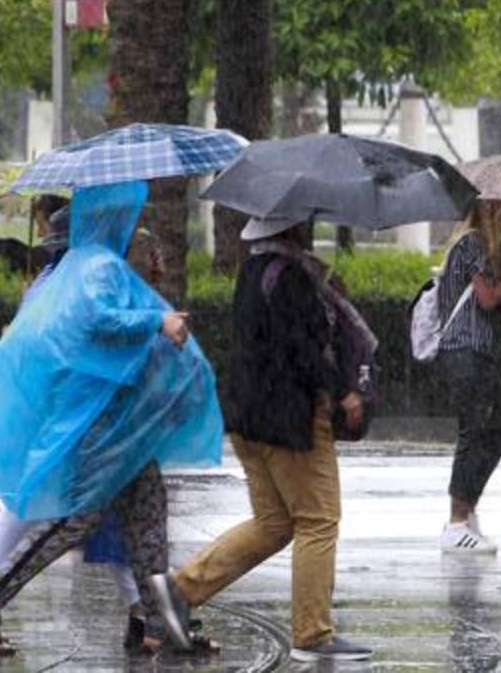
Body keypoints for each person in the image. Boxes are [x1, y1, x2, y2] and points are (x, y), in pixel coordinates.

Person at [0, 181, 223, 656]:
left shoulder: (86, 269)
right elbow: (98, 322)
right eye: (130, 223)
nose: (136, 232)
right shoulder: (95, 268)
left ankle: (163, 623)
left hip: (122, 425)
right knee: (74, 518)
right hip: (100, 423)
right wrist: (158, 321)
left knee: (148, 521)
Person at [148, 215, 373, 662]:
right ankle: (312, 633)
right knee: (318, 520)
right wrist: (342, 389)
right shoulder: (291, 277)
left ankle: (179, 589)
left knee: (274, 524)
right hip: (289, 420)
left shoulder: (255, 271)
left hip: (250, 416)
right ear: (292, 228)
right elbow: (300, 350)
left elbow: (273, 341)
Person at [437, 199, 501, 554]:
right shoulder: (472, 243)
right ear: (490, 211)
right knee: (474, 431)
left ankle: (468, 508)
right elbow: (488, 299)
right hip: (465, 351)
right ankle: (457, 521)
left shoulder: (486, 250)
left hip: (477, 352)